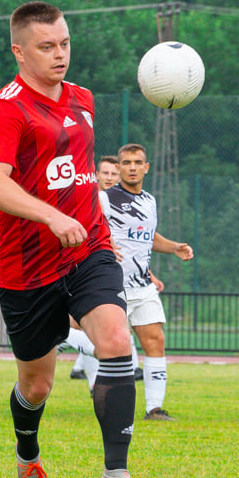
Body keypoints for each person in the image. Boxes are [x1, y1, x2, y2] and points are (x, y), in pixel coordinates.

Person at [0, 1, 146, 478]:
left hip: (88, 249)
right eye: (46, 46)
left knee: (117, 338)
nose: (59, 54)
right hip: (27, 266)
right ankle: (27, 450)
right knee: (38, 383)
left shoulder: (83, 99)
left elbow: (80, 171)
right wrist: (50, 216)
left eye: (65, 43)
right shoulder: (6, 108)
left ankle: (115, 471)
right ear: (19, 51)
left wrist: (96, 221)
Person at [99, 142, 194, 421]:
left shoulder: (149, 201)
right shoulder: (105, 198)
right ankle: (114, 407)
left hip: (143, 285)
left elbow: (149, 236)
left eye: (137, 162)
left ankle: (154, 408)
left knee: (155, 340)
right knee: (113, 348)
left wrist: (175, 247)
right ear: (118, 168)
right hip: (113, 285)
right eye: (126, 163)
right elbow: (87, 227)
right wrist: (101, 244)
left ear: (146, 167)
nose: (132, 168)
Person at [67, 155, 154, 384]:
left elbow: (138, 240)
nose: (109, 178)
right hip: (88, 270)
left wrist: (150, 273)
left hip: (124, 278)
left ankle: (101, 380)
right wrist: (101, 246)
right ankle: (97, 377)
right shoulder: (92, 199)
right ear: (95, 176)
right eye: (105, 173)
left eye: (113, 174)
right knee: (81, 326)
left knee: (110, 329)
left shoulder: (128, 201)